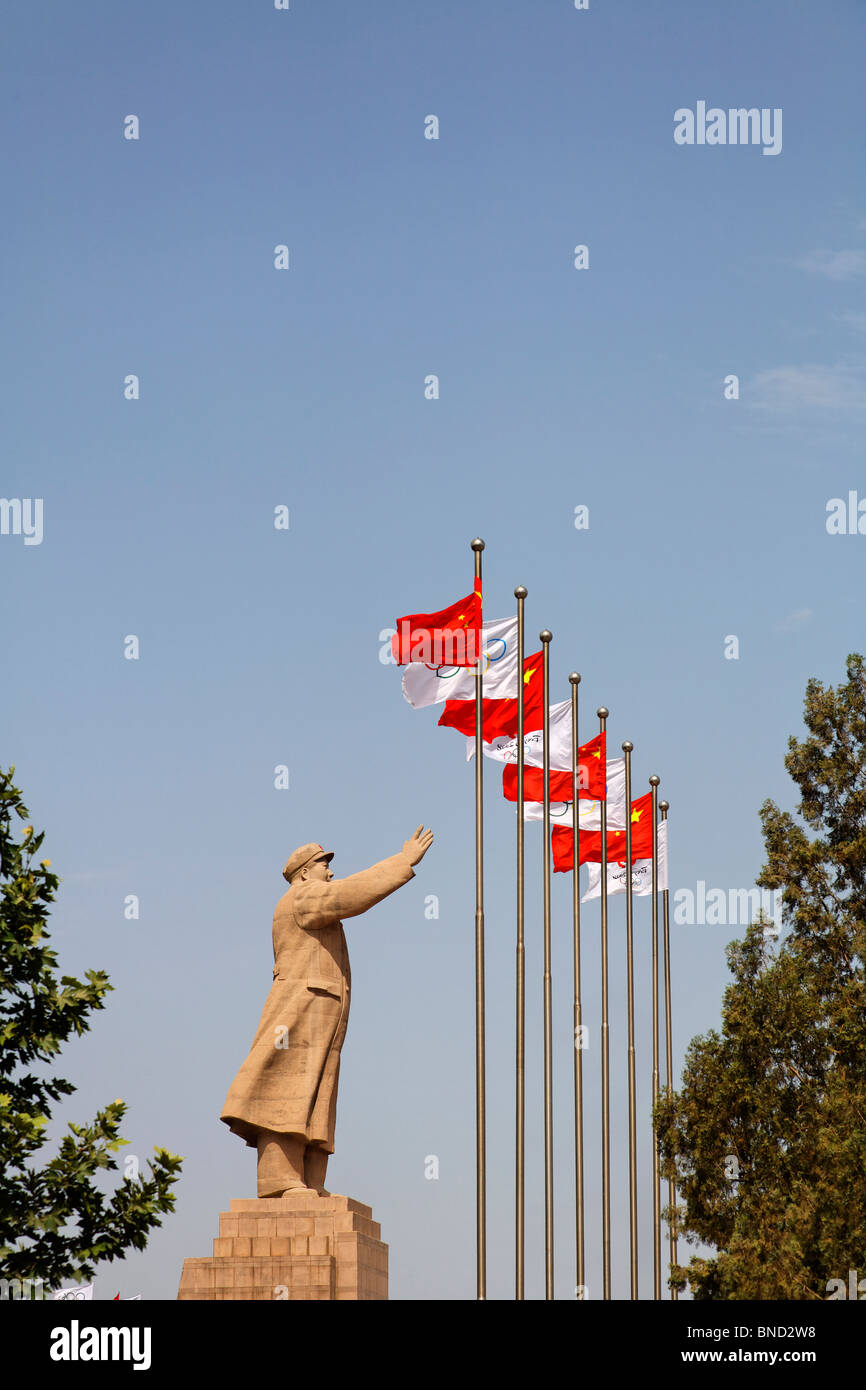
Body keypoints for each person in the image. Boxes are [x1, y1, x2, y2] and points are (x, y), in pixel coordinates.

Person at [220, 825, 434, 1197]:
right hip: (299, 1006)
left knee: (317, 1093)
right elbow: (349, 895)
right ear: (304, 872)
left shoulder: (309, 897)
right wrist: (403, 861)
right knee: (286, 1087)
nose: (330, 872)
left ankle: (307, 1180)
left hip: (320, 1009)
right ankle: (279, 1180)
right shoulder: (303, 897)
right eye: (323, 865)